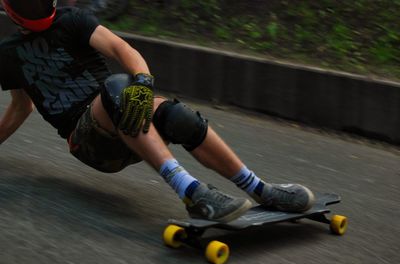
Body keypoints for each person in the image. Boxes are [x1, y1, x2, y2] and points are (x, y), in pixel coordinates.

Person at [0, 0, 315, 223]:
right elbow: (20, 106)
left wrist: (143, 82)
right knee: (117, 89)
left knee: (178, 118)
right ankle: (192, 192)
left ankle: (260, 189)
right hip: (88, 141)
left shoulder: (71, 20)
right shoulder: (8, 54)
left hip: (126, 114)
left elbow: (122, 49)